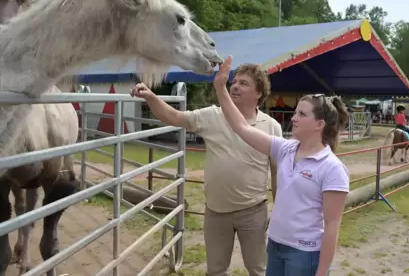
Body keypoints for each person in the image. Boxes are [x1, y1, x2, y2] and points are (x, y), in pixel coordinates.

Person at [130, 59, 283, 276]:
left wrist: (279, 210)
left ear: (259, 93)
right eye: (234, 81)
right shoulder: (212, 115)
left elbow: (277, 172)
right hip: (216, 211)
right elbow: (173, 117)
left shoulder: (271, 127)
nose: (235, 86)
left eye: (244, 83)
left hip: (253, 210)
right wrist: (152, 97)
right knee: (216, 270)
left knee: (258, 269)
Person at [213, 56, 350, 276]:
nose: (293, 118)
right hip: (275, 245)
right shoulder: (285, 149)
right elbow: (240, 127)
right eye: (295, 112)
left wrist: (323, 271)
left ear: (319, 124)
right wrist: (220, 87)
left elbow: (332, 224)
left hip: (304, 253)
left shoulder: (332, 168)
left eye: (302, 114)